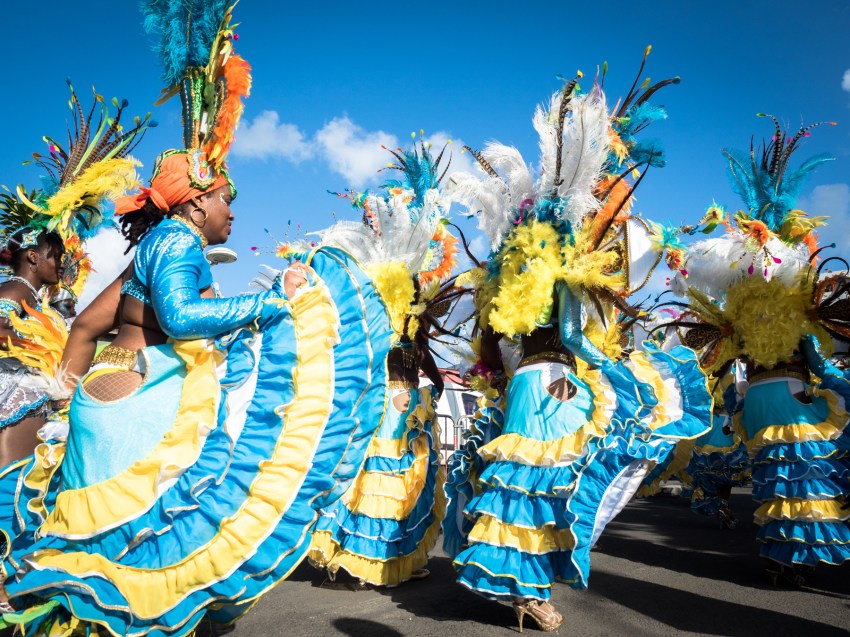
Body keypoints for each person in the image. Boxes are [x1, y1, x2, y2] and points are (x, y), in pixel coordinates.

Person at [3, 3, 392, 635]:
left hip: (110, 389)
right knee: (164, 530)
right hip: (141, 393)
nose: (232, 214)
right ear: (197, 202)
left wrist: (65, 399)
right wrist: (274, 300)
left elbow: (86, 325)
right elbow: (182, 318)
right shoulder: (178, 241)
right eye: (225, 201)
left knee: (111, 542)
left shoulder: (148, 251)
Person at [445, 56, 711, 632]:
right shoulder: (562, 270)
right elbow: (570, 335)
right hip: (555, 382)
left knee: (520, 480)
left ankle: (518, 587)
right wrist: (611, 367)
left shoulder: (510, 277)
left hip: (524, 382)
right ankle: (529, 592)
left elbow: (499, 348)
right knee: (548, 482)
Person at [659, 115, 850, 586]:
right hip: (788, 396)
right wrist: (838, 384)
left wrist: (737, 402)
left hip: (759, 403)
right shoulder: (795, 315)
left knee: (772, 480)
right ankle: (794, 558)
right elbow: (817, 361)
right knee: (803, 478)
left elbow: (727, 368)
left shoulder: (741, 319)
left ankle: (776, 557)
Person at [308, 141, 455, 587]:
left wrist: (434, 384)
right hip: (385, 402)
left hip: (408, 403)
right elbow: (367, 352)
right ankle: (356, 561)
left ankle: (389, 559)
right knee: (377, 476)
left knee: (404, 479)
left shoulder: (413, 317)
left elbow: (423, 355)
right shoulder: (378, 308)